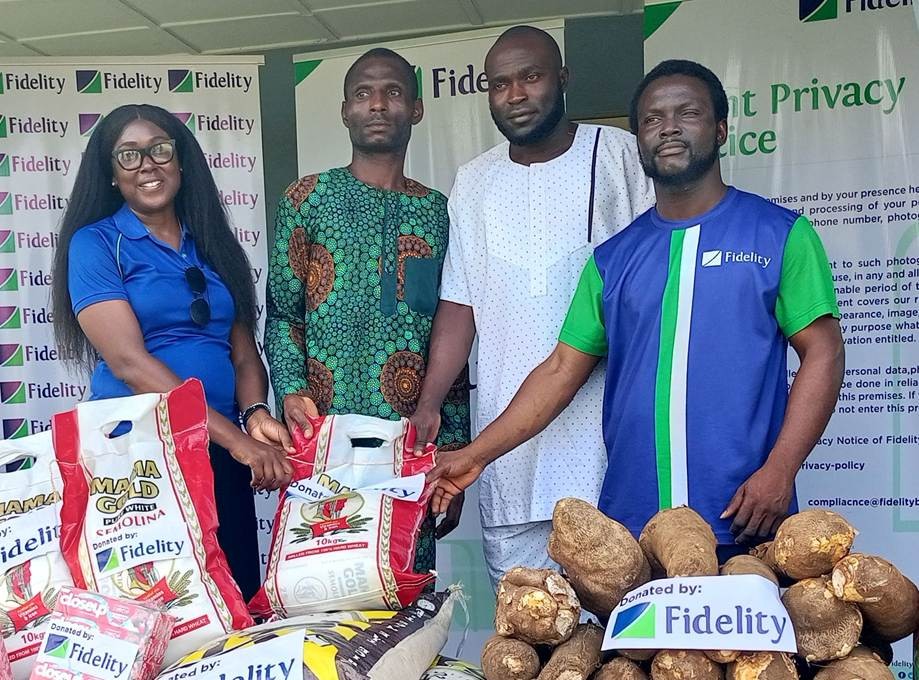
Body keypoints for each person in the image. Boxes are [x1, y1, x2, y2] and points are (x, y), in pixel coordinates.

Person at [427, 59, 845, 560]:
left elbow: (823, 354)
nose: (668, 127)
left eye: (687, 113)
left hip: (748, 517)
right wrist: (475, 456)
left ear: (720, 129)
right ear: (639, 141)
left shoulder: (779, 234)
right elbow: (560, 370)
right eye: (651, 119)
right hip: (634, 530)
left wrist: (780, 470)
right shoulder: (612, 260)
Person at [408, 25, 654, 587]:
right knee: (526, 618)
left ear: (563, 79)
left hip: (604, 443)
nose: (515, 94)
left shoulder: (618, 156)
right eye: (500, 84)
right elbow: (459, 307)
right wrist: (430, 404)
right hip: (506, 451)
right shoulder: (474, 181)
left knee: (618, 619)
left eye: (531, 76)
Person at [51, 104, 293, 600]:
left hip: (219, 449)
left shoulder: (214, 243)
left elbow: (243, 352)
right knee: (162, 608)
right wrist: (238, 441)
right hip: (140, 454)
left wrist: (255, 414)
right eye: (128, 155)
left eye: (159, 150)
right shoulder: (96, 244)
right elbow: (129, 363)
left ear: (181, 161)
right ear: (111, 174)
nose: (147, 164)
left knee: (237, 595)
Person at [264, 48, 470, 577]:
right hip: (322, 439)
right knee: (318, 582)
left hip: (409, 445)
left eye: (393, 92)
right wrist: (290, 391)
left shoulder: (439, 212)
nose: (377, 104)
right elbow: (283, 314)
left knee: (404, 583)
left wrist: (453, 449)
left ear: (416, 109)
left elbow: (451, 334)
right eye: (363, 94)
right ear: (345, 111)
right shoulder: (308, 197)